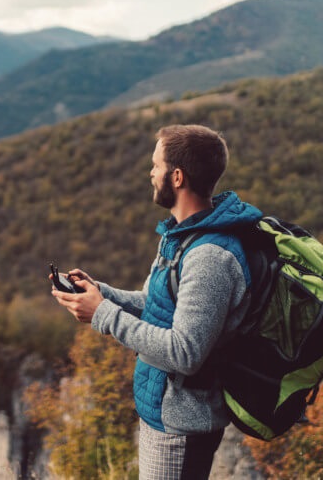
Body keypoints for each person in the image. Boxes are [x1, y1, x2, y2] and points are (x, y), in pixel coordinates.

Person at [51, 124, 262, 480]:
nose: (151, 173)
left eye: (156, 165)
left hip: (182, 426)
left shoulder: (209, 256)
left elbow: (185, 353)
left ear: (177, 176)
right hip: (163, 413)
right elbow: (153, 303)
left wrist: (102, 314)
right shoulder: (181, 237)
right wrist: (100, 292)